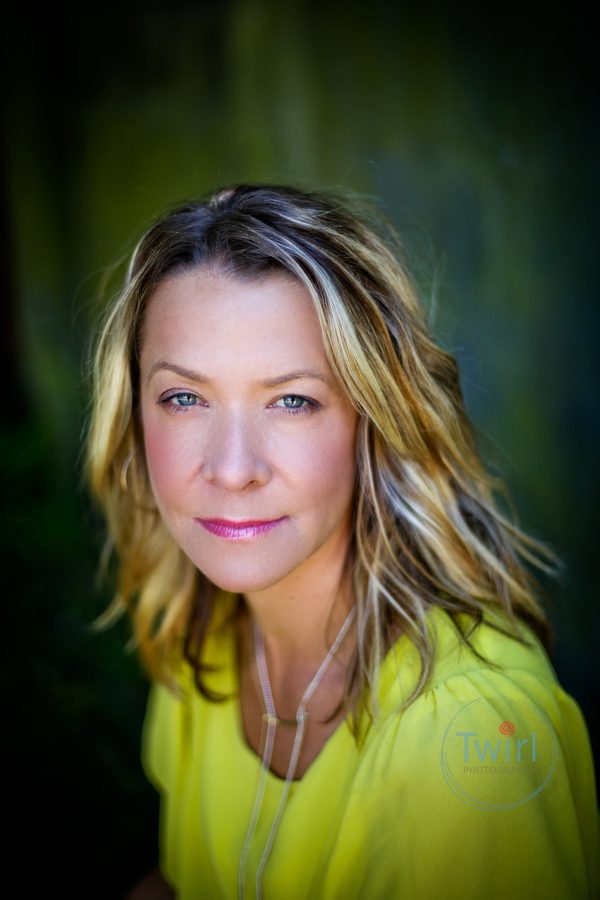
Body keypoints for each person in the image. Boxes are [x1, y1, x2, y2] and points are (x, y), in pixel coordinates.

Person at [86, 184, 599, 900]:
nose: (233, 470)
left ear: (374, 421)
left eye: (292, 400)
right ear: (135, 414)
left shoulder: (470, 735)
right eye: (184, 398)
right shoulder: (200, 638)